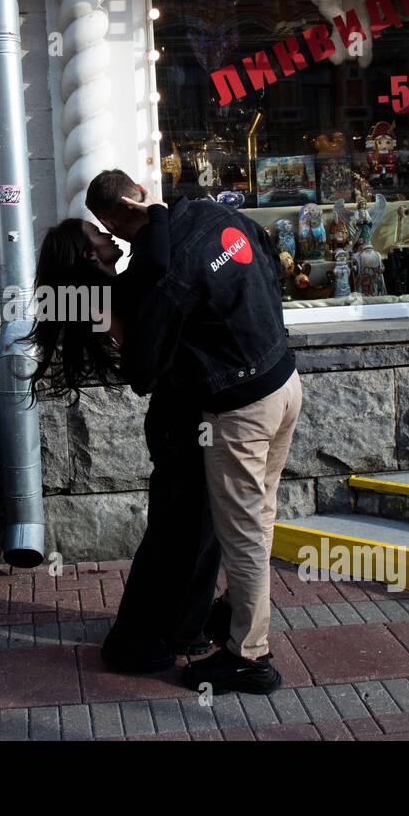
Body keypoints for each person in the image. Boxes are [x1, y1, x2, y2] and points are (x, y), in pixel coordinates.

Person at [86, 170, 301, 696]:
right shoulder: (217, 213)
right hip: (285, 382)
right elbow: (271, 265)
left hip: (240, 408)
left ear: (113, 220)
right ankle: (233, 613)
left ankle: (249, 657)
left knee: (243, 533)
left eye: (107, 230)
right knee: (260, 515)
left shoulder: (167, 266)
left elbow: (143, 369)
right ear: (141, 189)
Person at [25, 205, 222, 672]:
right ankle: (138, 641)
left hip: (179, 417)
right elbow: (154, 265)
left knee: (191, 530)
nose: (109, 235)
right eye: (97, 233)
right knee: (182, 533)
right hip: (180, 420)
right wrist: (156, 212)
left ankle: (180, 631)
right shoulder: (111, 292)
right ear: (86, 254)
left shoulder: (106, 292)